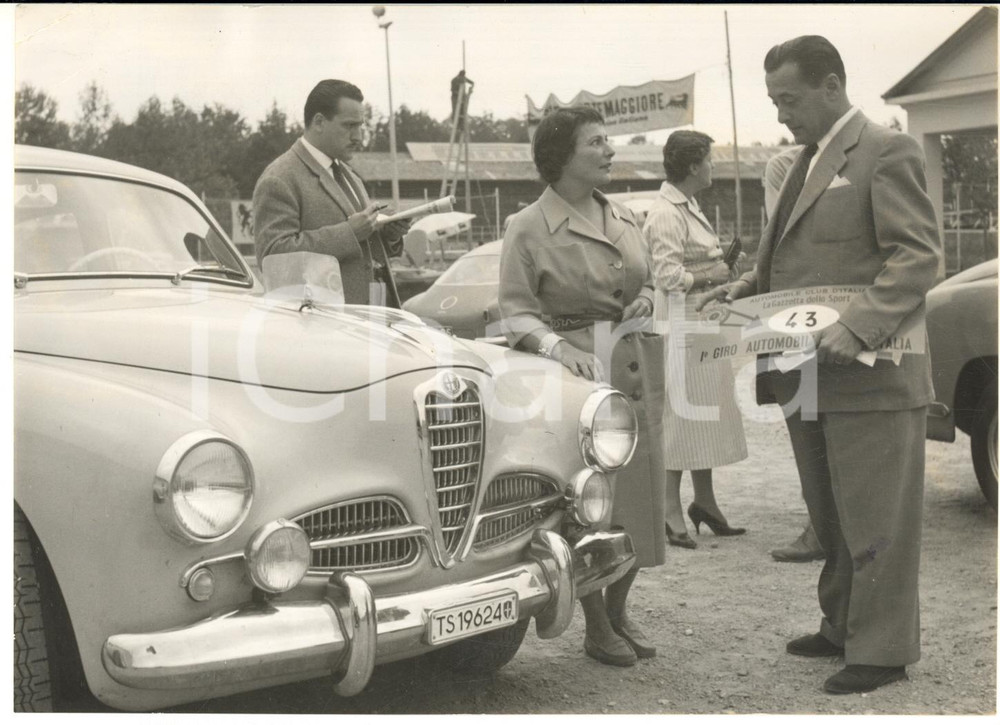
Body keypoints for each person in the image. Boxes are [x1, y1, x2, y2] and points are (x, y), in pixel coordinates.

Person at [700, 35, 941, 694]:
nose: (781, 115)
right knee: (831, 511)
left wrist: (859, 325)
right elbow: (793, 256)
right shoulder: (804, 161)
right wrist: (745, 289)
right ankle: (842, 624)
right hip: (806, 374)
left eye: (790, 100)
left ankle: (882, 648)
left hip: (871, 375)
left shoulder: (886, 150)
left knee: (876, 515)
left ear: (831, 86)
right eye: (774, 101)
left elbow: (917, 256)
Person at [499, 106, 665, 668]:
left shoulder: (624, 215)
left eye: (606, 140)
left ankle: (619, 611)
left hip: (633, 366)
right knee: (589, 505)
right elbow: (516, 311)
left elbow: (648, 281)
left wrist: (647, 300)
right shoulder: (527, 226)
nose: (609, 150)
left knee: (637, 502)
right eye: (595, 142)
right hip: (576, 379)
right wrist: (558, 348)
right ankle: (596, 624)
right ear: (561, 156)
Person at [642, 130, 748, 549]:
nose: (712, 166)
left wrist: (719, 270)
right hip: (681, 328)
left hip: (702, 323)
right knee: (680, 416)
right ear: (691, 166)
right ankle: (669, 510)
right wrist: (711, 274)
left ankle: (704, 501)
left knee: (704, 415)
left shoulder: (688, 206)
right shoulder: (665, 213)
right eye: (708, 159)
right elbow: (667, 276)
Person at [253, 79, 410, 306]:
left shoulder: (349, 175)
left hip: (367, 318)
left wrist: (388, 234)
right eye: (349, 126)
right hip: (321, 323)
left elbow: (363, 252)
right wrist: (349, 233)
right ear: (319, 122)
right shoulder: (279, 178)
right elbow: (273, 258)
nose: (358, 137)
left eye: (360, 126)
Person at [761, 146, 827, 564]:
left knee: (813, 428)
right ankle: (821, 524)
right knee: (812, 425)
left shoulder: (785, 166)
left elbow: (784, 240)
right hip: (812, 313)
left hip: (808, 315)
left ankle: (822, 526)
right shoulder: (790, 164)